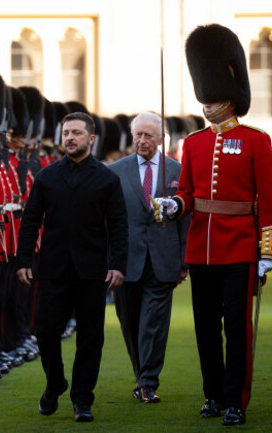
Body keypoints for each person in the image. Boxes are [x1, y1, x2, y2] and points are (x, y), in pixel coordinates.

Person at [154, 24, 272, 426]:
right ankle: (211, 394)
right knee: (205, 329)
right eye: (204, 99)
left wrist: (267, 251)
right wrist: (175, 205)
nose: (206, 106)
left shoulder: (255, 141)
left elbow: (271, 203)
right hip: (201, 248)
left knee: (236, 328)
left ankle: (235, 400)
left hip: (241, 247)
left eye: (212, 99)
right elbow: (190, 194)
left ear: (229, 99)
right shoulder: (192, 143)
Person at [16, 112, 128, 422]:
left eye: (76, 133)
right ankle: (55, 382)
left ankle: (82, 399)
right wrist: (24, 260)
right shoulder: (47, 177)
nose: (69, 138)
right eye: (66, 133)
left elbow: (119, 225)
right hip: (52, 269)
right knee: (45, 331)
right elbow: (30, 221)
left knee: (90, 338)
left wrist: (118, 265)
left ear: (91, 139)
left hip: (93, 272)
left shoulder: (108, 179)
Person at [108, 112, 189, 403]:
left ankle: (148, 382)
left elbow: (186, 219)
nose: (142, 141)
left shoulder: (177, 171)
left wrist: (184, 260)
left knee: (153, 323)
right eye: (138, 135)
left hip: (164, 258)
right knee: (130, 324)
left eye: (148, 136)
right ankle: (140, 375)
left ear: (161, 139)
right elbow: (109, 221)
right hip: (126, 262)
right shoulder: (115, 171)